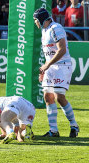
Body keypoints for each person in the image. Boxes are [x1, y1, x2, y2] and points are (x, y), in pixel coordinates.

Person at [33, 8, 79, 138]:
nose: (35, 23)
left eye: (36, 20)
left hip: (62, 66)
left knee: (59, 96)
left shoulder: (56, 28)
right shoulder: (44, 31)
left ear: (42, 19)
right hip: (50, 68)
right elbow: (49, 54)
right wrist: (44, 69)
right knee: (48, 97)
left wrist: (47, 65)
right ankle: (53, 130)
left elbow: (62, 50)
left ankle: (74, 125)